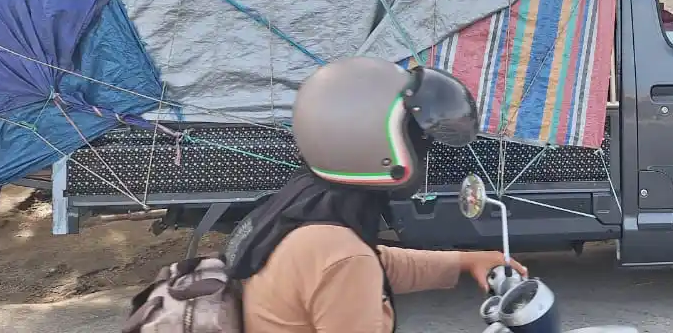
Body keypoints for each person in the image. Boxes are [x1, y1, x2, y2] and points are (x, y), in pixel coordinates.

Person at [225, 57, 527, 332]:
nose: (424, 147)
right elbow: (353, 263)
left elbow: (376, 260)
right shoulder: (342, 256)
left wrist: (465, 262)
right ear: (369, 139)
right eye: (413, 135)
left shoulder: (301, 204)